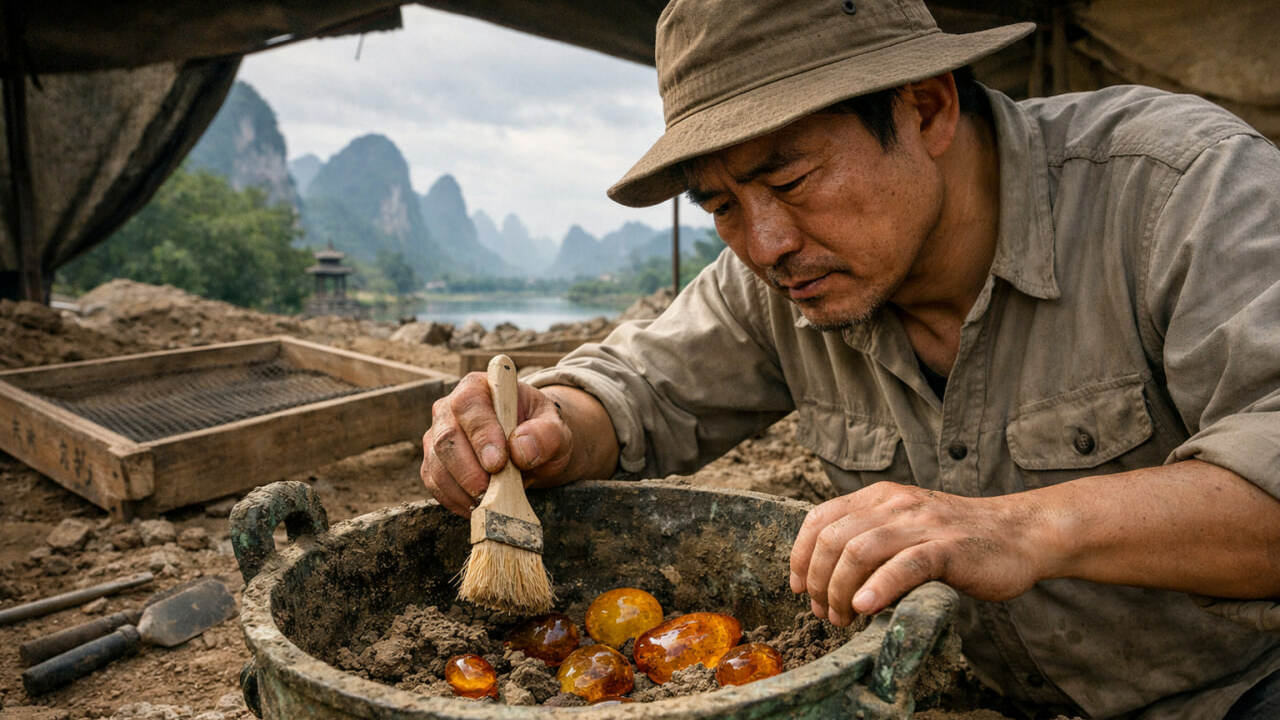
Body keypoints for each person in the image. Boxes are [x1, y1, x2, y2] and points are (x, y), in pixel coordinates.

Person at [422, 0, 1280, 716]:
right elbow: (631, 391)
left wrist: (1017, 526)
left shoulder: (1181, 188)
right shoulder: (775, 277)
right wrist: (546, 427)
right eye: (721, 205)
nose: (765, 244)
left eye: (791, 181)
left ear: (928, 109)